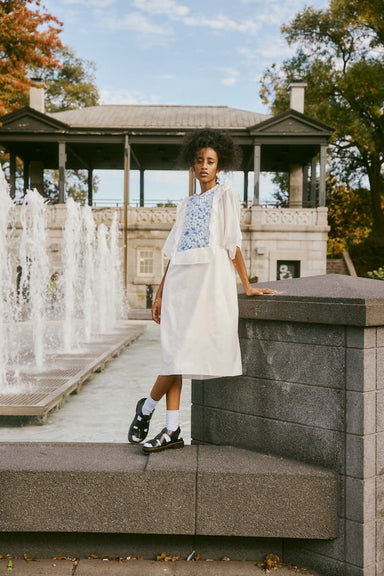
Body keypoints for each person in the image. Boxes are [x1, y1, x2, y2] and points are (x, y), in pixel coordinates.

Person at [128, 128, 276, 454]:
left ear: (218, 166)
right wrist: (160, 293)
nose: (204, 166)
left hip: (207, 283)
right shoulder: (185, 204)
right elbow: (175, 252)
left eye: (210, 161)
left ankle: (147, 409)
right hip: (180, 282)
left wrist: (247, 285)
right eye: (199, 161)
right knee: (173, 354)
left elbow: (231, 244)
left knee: (179, 353)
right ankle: (171, 430)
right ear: (192, 166)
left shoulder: (225, 196)